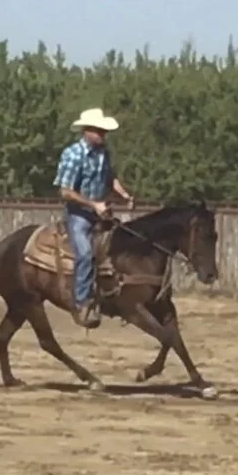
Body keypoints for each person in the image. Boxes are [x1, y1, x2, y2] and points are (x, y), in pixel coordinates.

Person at [52, 107, 135, 329]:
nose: (102, 135)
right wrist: (93, 204)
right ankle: (81, 302)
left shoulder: (103, 153)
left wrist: (123, 194)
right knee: (86, 254)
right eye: (99, 131)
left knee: (121, 247)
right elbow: (65, 191)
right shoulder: (73, 155)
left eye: (104, 131)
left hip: (101, 211)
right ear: (87, 131)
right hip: (78, 214)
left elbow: (111, 177)